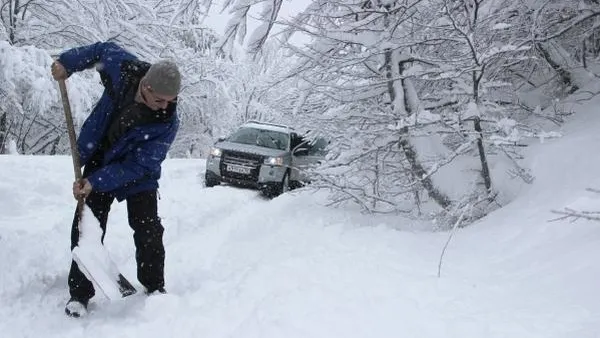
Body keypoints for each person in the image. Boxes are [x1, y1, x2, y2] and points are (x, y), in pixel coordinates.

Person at [51, 42, 181, 317]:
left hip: (139, 173)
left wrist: (97, 182)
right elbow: (101, 49)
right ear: (145, 86)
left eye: (172, 100)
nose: (166, 106)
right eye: (161, 99)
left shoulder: (167, 121)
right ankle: (79, 295)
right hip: (101, 156)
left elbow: (139, 164)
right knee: (86, 227)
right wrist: (68, 62)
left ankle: (154, 288)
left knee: (148, 229)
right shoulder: (124, 69)